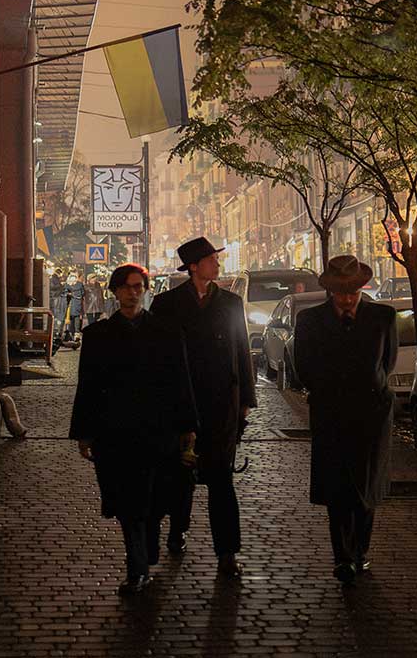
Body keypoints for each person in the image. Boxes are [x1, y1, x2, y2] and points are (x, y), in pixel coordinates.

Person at [68, 264, 199, 596]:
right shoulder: (98, 335)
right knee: (128, 504)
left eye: (138, 286)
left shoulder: (166, 332)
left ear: (145, 289)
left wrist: (188, 427)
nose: (133, 292)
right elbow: (87, 386)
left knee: (154, 501)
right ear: (115, 291)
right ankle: (137, 568)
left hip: (158, 432)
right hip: (116, 434)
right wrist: (84, 432)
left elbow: (181, 381)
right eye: (126, 287)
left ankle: (147, 550)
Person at [149, 236, 255, 578]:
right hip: (181, 406)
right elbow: (157, 358)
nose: (217, 264)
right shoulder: (167, 304)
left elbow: (242, 352)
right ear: (194, 267)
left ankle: (227, 553)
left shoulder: (231, 303)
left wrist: (246, 402)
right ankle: (177, 529)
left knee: (222, 480)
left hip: (222, 405)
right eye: (211, 259)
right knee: (180, 477)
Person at [293, 254, 396, 586]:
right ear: (331, 291)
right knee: (338, 487)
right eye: (341, 293)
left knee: (366, 486)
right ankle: (343, 556)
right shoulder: (310, 320)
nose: (348, 299)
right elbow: (303, 366)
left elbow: (387, 363)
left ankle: (360, 551)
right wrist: (327, 390)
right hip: (331, 413)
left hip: (371, 415)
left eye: (353, 292)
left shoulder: (382, 317)